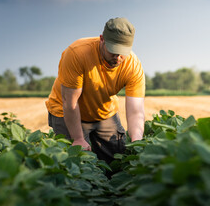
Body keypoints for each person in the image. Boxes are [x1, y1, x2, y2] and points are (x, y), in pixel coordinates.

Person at [45, 17, 145, 164]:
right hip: (67, 111)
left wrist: (137, 141)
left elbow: (136, 110)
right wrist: (78, 139)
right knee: (77, 161)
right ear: (102, 39)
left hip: (103, 111)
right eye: (113, 51)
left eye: (122, 52)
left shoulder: (133, 65)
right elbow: (70, 102)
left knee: (117, 159)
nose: (118, 57)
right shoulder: (77, 53)